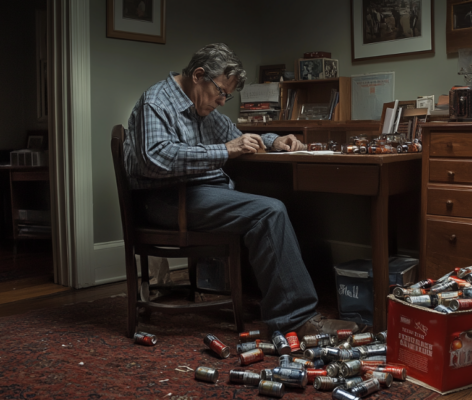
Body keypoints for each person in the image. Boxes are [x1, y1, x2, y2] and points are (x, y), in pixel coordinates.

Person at [124, 43, 359, 338]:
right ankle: (295, 319)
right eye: (220, 92)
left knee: (278, 204)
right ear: (199, 75)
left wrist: (273, 140)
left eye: (227, 95)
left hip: (198, 194)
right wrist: (224, 151)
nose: (222, 101)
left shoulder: (202, 106)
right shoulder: (156, 102)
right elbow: (154, 158)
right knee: (269, 212)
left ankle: (279, 302)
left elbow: (236, 134)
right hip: (166, 199)